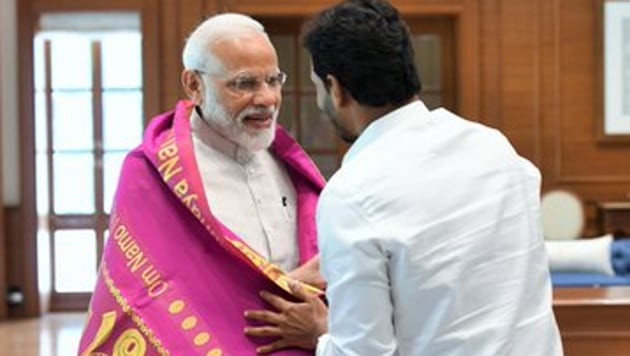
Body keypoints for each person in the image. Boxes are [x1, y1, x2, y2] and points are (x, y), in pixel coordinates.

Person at [243, 0, 564, 355]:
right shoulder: (495, 147)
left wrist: (322, 333)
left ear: (335, 88)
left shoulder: (353, 193)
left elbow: (363, 352)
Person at [78, 13, 325, 355]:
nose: (267, 98)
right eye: (244, 83)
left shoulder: (288, 163)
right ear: (194, 85)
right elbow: (157, 296)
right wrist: (290, 284)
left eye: (273, 80)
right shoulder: (150, 173)